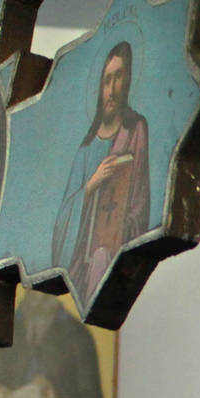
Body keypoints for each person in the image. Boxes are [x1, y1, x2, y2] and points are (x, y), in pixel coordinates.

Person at [53, 41, 151, 297]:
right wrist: (91, 185)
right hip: (81, 264)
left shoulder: (135, 130)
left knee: (102, 257)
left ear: (128, 81)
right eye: (106, 80)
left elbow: (140, 202)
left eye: (118, 77)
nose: (111, 89)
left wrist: (118, 235)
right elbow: (62, 219)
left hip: (112, 251)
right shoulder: (86, 149)